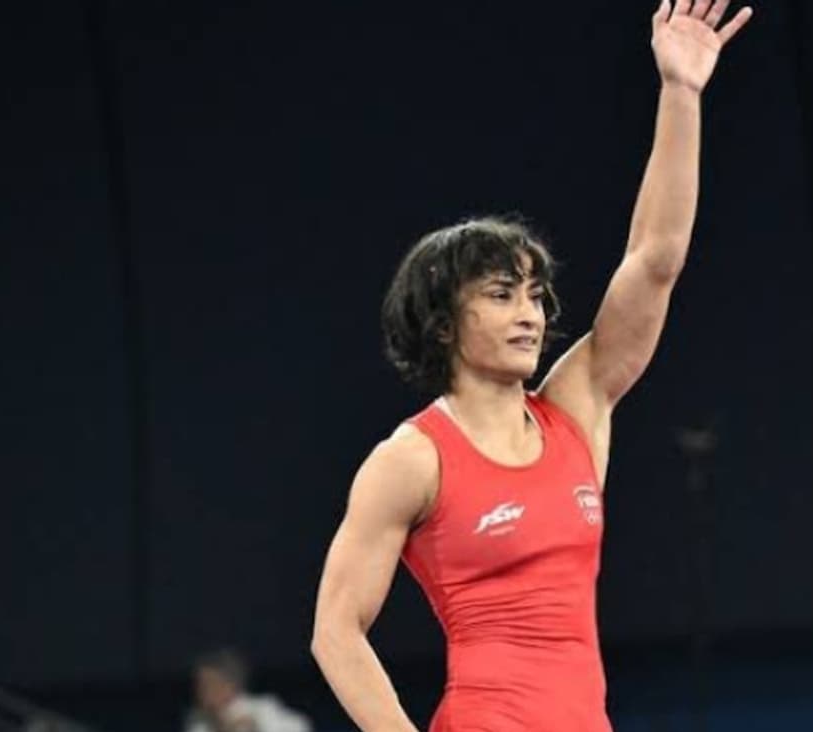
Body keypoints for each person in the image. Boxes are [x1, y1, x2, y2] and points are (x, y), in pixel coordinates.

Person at [310, 1, 752, 729]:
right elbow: (336, 630)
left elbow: (655, 261)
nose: (531, 313)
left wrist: (681, 94)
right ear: (444, 322)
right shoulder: (411, 460)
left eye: (536, 295)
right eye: (501, 294)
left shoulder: (577, 407)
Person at [185, 649, 312, 732]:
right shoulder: (199, 722)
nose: (202, 691)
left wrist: (258, 725)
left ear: (231, 683)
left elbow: (301, 727)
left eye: (209, 684)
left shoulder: (263, 708)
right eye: (200, 685)